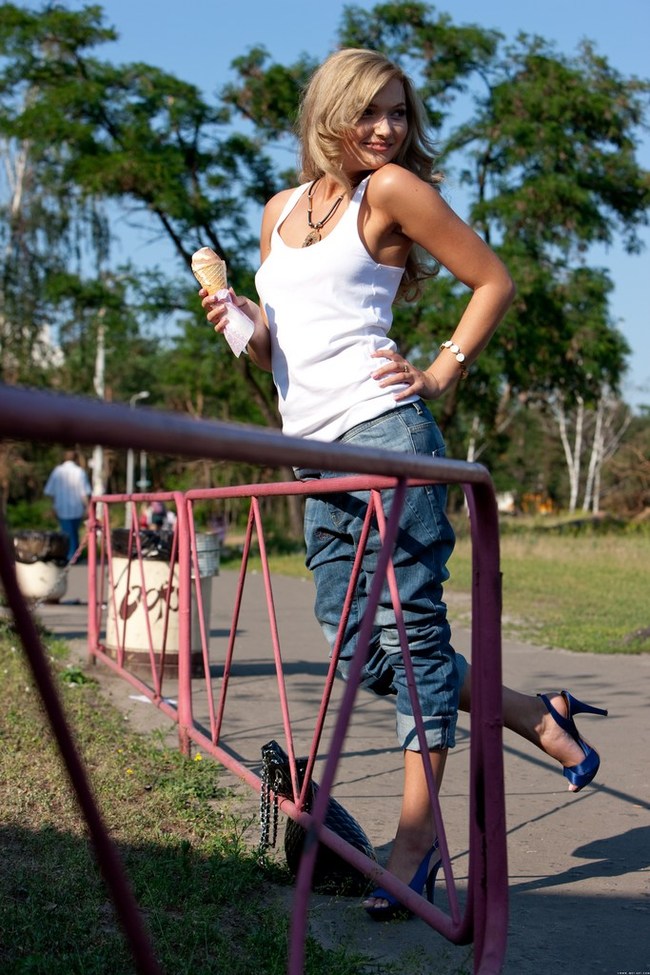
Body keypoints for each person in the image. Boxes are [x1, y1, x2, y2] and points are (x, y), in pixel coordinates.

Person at [200, 48, 607, 919]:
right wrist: (239, 320)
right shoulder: (278, 210)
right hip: (311, 453)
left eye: (399, 112)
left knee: (414, 639)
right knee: (350, 642)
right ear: (329, 111)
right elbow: (283, 352)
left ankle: (416, 841)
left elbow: (493, 279)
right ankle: (535, 714)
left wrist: (440, 369)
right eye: (370, 110)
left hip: (389, 439)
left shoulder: (389, 192)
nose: (387, 127)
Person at [44, 449, 92, 561]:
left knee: (66, 532)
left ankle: (69, 555)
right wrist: (88, 507)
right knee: (74, 532)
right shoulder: (79, 471)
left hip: (61, 507)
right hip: (77, 508)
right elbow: (84, 493)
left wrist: (53, 505)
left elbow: (50, 491)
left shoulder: (57, 471)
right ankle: (73, 555)